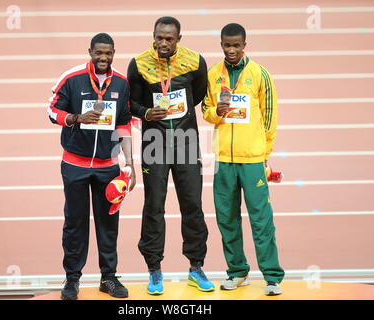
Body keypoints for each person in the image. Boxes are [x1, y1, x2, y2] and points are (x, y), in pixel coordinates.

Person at [127, 16, 214, 295]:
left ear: (179, 38)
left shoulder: (195, 61)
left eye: (169, 38)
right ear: (153, 36)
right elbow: (132, 102)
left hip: (187, 140)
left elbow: (198, 94)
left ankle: (196, 267)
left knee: (192, 204)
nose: (163, 43)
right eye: (159, 38)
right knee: (154, 205)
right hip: (155, 141)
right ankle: (154, 269)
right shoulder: (139, 63)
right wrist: (145, 113)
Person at [47, 33, 136, 300]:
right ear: (90, 52)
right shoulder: (72, 78)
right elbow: (52, 110)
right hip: (75, 163)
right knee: (75, 223)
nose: (103, 58)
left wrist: (129, 163)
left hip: (108, 166)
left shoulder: (121, 82)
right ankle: (72, 280)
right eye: (98, 53)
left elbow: (123, 123)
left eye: (108, 53)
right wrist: (76, 117)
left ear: (113, 53)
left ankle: (108, 278)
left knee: (108, 223)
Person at [202, 23, 285, 296]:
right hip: (224, 158)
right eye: (227, 45)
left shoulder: (260, 74)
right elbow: (205, 110)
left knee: (261, 219)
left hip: (252, 160)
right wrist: (218, 111)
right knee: (227, 218)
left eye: (237, 45)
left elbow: (270, 115)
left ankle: (272, 276)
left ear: (245, 45)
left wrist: (265, 154)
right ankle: (237, 272)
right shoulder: (213, 74)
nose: (232, 50)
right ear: (222, 45)